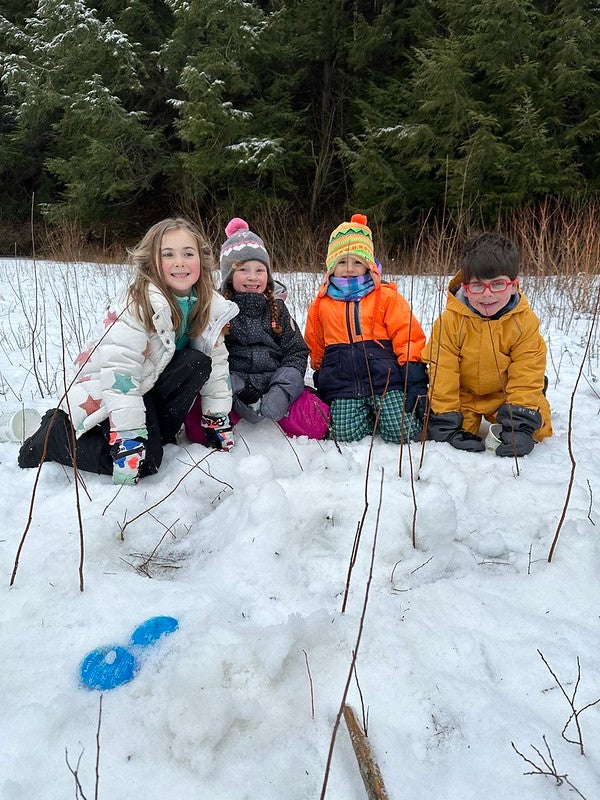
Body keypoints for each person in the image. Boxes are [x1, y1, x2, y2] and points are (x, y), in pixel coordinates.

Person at [18, 217, 238, 484]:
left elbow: (216, 364)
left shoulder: (208, 305)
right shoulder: (138, 303)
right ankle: (52, 438)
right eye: (168, 254)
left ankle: (156, 434)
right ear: (151, 263)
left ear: (201, 261)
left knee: (198, 361)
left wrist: (216, 417)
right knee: (145, 463)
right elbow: (121, 370)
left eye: (187, 253)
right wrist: (128, 436)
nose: (179, 262)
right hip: (119, 386)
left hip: (152, 386)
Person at [185, 218, 329, 442]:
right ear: (229, 277)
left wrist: (282, 390)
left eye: (260, 270)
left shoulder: (278, 309)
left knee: (317, 422)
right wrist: (237, 389)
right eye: (244, 270)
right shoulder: (219, 310)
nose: (253, 277)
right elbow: (211, 355)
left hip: (275, 382)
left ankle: (280, 405)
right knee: (196, 428)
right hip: (233, 386)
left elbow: (296, 352)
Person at [423, 231, 552, 456]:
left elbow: (526, 370)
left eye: (498, 284)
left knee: (539, 430)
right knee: (453, 435)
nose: (487, 294)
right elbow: (442, 371)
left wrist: (519, 423)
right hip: (465, 395)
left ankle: (536, 394)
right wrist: (445, 418)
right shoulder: (449, 322)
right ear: (465, 287)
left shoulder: (525, 323)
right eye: (477, 286)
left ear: (513, 285)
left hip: (502, 393)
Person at [304, 213, 428, 443]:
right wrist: (320, 370)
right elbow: (315, 339)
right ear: (331, 266)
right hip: (343, 382)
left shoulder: (386, 297)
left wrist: (412, 369)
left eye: (357, 262)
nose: (349, 268)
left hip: (385, 379)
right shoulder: (321, 303)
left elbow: (406, 333)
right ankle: (367, 417)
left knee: (403, 433)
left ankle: (389, 415)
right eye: (342, 262)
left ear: (368, 265)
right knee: (344, 435)